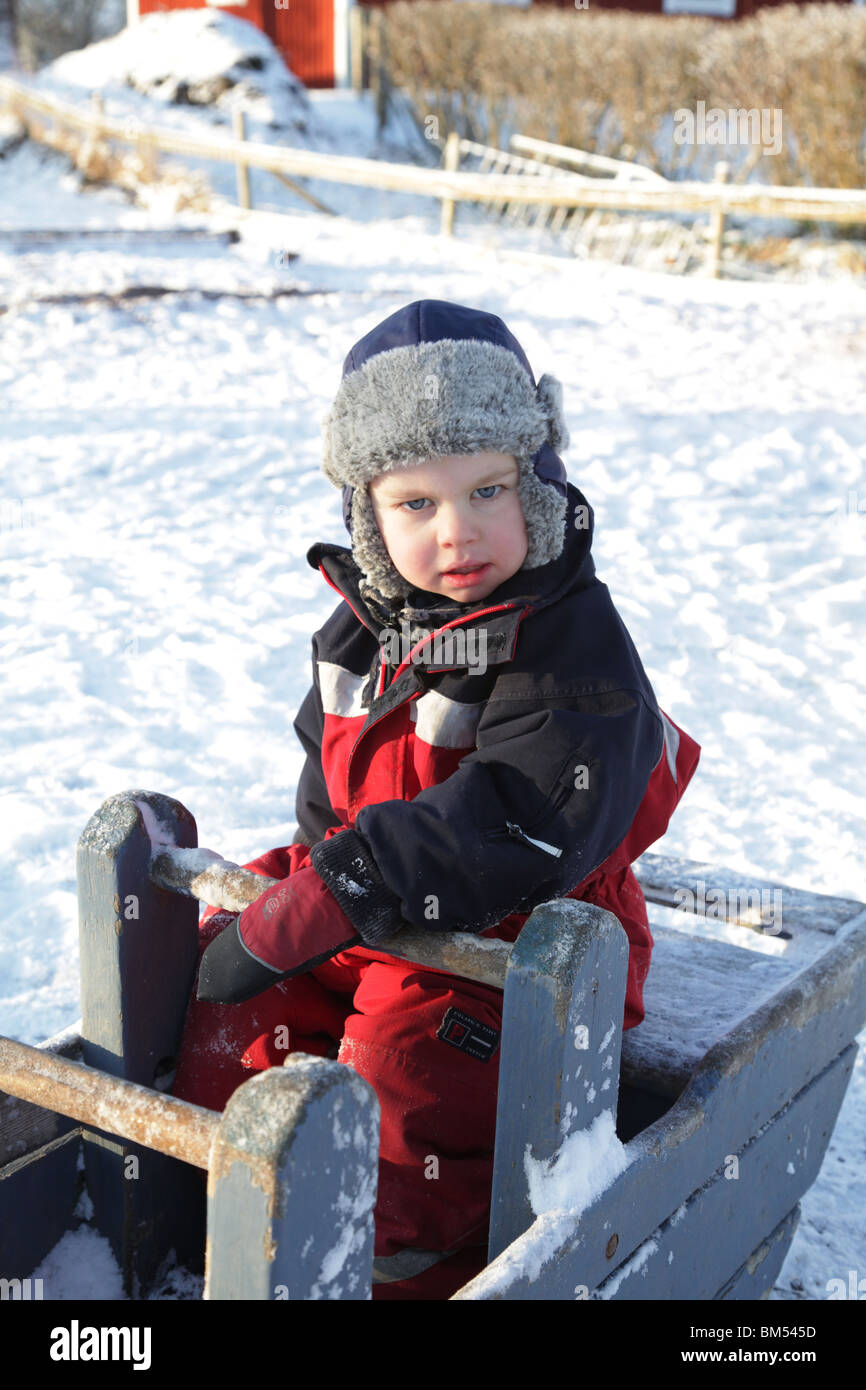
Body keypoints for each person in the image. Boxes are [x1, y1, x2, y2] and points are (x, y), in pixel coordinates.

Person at [171, 298, 701, 1299]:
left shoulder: (569, 642)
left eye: (487, 488)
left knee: (414, 1067)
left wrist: (342, 886)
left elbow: (525, 816)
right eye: (414, 503)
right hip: (378, 907)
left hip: (521, 935)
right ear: (367, 517)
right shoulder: (362, 629)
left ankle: (397, 1262)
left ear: (535, 488)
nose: (456, 531)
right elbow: (326, 780)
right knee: (235, 998)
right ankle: (226, 1201)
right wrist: (310, 879)